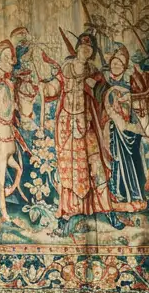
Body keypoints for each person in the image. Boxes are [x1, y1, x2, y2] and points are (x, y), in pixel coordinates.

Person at [40, 32, 124, 232]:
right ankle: (66, 213)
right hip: (67, 126)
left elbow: (104, 94)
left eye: (90, 48)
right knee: (70, 170)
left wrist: (96, 87)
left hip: (87, 126)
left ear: (92, 52)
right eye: (83, 47)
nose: (86, 50)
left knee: (96, 168)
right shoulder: (66, 68)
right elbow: (54, 88)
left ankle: (107, 210)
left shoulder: (94, 70)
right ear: (77, 48)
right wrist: (45, 87)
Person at [104, 46, 146, 210]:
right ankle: (117, 194)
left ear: (124, 66)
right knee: (116, 159)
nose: (116, 66)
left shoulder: (130, 84)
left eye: (119, 64)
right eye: (114, 63)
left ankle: (135, 195)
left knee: (133, 160)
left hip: (129, 130)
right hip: (112, 128)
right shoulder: (105, 83)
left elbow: (136, 106)